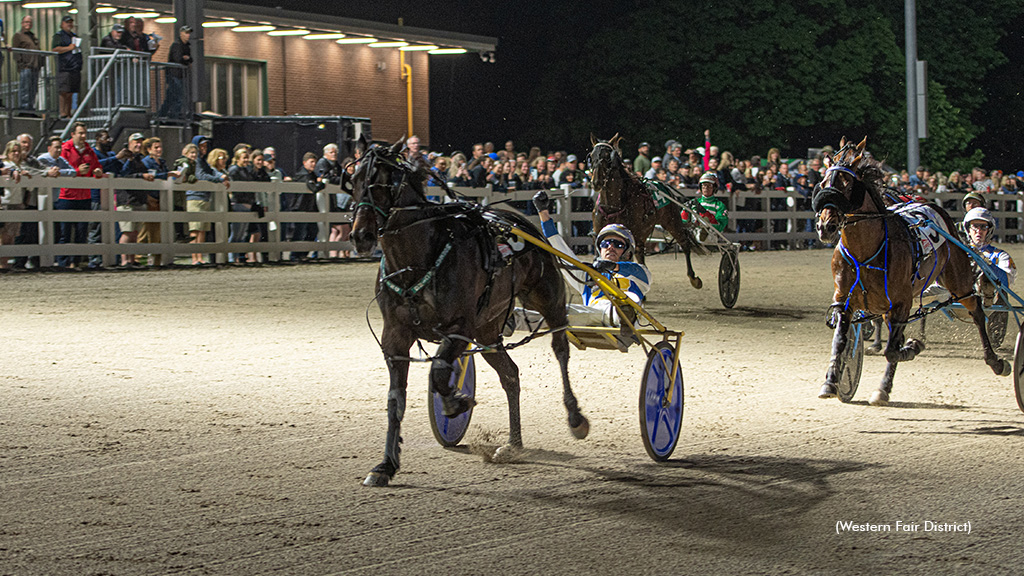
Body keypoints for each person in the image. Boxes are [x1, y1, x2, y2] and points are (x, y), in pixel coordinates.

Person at [504, 191, 652, 333]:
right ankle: (509, 319)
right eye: (605, 244)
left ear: (628, 252)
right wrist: (543, 212)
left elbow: (636, 272)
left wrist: (614, 267)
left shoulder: (639, 274)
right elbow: (560, 251)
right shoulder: (587, 276)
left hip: (623, 315)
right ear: (599, 249)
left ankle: (625, 316)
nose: (610, 247)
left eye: (617, 244)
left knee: (625, 304)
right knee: (559, 311)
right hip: (591, 314)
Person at [56, 122, 103, 268]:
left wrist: (97, 172)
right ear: (73, 134)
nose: (83, 136)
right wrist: (77, 170)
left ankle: (76, 262)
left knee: (81, 232)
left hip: (84, 196)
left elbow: (97, 166)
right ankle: (63, 263)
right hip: (66, 196)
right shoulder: (65, 149)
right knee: (64, 232)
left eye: (84, 133)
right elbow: (60, 169)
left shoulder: (89, 150)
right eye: (80, 133)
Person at [115, 133, 156, 266]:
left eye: (140, 142)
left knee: (134, 233)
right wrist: (141, 175)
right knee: (127, 232)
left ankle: (131, 259)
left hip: (138, 199)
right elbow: (123, 175)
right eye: (135, 142)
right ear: (129, 143)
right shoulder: (123, 158)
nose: (138, 144)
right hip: (127, 200)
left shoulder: (140, 159)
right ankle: (124, 260)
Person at [963, 207, 1017, 306]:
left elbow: (1005, 284)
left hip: (988, 302)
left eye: (983, 227)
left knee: (995, 289)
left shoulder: (1000, 255)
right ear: (968, 230)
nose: (979, 231)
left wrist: (984, 262)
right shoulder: (959, 252)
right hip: (957, 296)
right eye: (975, 226)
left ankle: (997, 321)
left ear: (989, 230)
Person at [283, 152, 320, 261]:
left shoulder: (312, 174)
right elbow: (313, 188)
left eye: (315, 162)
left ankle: (303, 253)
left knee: (312, 230)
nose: (313, 164)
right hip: (301, 207)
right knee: (300, 231)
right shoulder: (303, 175)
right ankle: (295, 255)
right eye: (311, 162)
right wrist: (321, 184)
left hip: (310, 208)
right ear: (304, 163)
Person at [158, 26, 192, 120]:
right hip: (174, 75)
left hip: (179, 76)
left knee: (171, 97)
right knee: (178, 98)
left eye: (189, 33)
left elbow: (190, 59)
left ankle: (162, 115)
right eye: (186, 33)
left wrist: (187, 59)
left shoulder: (186, 46)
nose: (188, 35)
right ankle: (174, 118)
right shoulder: (177, 45)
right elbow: (178, 59)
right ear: (181, 33)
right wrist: (186, 59)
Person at [52, 15, 82, 119]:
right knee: (63, 91)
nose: (69, 24)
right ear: (62, 24)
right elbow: (55, 49)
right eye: (67, 22)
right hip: (65, 67)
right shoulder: (58, 36)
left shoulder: (74, 36)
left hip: (75, 67)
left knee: (71, 92)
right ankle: (62, 112)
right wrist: (68, 48)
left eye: (70, 22)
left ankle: (69, 112)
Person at [12, 15, 42, 115]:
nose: (28, 24)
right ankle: (24, 109)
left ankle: (31, 108)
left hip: (35, 67)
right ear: (22, 23)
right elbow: (15, 52)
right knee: (25, 89)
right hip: (26, 67)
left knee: (33, 89)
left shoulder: (33, 37)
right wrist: (21, 64)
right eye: (26, 22)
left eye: (29, 22)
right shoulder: (18, 35)